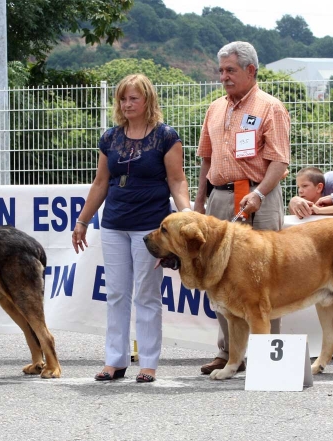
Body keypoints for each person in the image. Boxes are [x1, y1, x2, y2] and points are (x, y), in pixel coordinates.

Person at [71, 74, 191, 383]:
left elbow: (177, 181)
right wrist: (83, 221)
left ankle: (148, 363)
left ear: (148, 100)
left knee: (147, 295)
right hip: (113, 225)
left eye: (133, 98)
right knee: (116, 294)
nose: (127, 104)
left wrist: (188, 216)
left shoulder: (166, 136)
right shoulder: (110, 137)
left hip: (150, 228)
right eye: (123, 99)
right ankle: (115, 360)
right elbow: (101, 183)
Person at [193, 41, 291, 376]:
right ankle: (228, 354)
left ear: (251, 70)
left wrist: (260, 194)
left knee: (265, 278)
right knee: (218, 277)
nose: (223, 77)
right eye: (221, 70)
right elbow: (205, 159)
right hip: (219, 198)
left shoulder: (270, 107)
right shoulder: (214, 108)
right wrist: (198, 202)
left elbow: (279, 163)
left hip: (258, 198)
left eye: (230, 70)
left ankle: (267, 357)